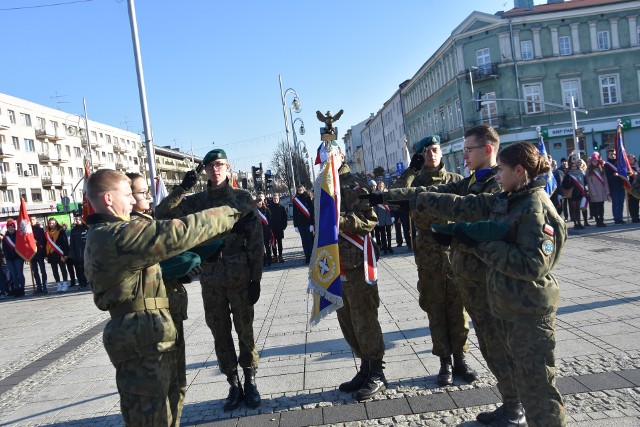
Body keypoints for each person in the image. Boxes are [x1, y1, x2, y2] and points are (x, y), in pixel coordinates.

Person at [409, 141, 567, 427]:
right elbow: (483, 221)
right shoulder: (514, 199)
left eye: (502, 170)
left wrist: (479, 245)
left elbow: (532, 264)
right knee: (522, 379)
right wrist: (460, 234)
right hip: (512, 307)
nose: (497, 175)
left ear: (519, 171)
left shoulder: (534, 207)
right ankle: (513, 410)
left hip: (529, 311)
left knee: (538, 389)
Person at [377, 124, 523, 425]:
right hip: (449, 265)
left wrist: (451, 229)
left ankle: (515, 406)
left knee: (495, 343)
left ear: (487, 150)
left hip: (485, 279)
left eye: (468, 149)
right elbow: (419, 191)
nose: (463, 154)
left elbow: (464, 208)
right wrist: (383, 196)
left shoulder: (493, 184)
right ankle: (509, 403)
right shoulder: (471, 180)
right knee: (476, 335)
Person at [84, 169, 244, 426]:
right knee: (151, 417)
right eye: (128, 195)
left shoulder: (110, 233)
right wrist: (230, 213)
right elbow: (177, 233)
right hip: (139, 338)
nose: (135, 201)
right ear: (108, 199)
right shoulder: (116, 235)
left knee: (167, 406)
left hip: (146, 333)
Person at [156, 149, 264, 411]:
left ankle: (250, 381)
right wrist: (182, 187)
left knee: (244, 329)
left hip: (239, 275)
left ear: (228, 167)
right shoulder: (196, 201)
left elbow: (256, 239)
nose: (215, 170)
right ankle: (233, 383)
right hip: (212, 276)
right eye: (210, 166)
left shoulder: (241, 198)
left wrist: (256, 279)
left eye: (219, 165)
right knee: (219, 332)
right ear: (204, 170)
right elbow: (161, 213)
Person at [391, 134, 476, 386]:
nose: (432, 154)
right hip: (428, 252)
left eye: (435, 149)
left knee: (458, 309)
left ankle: (460, 359)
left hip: (456, 252)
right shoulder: (415, 182)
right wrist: (411, 169)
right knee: (435, 308)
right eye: (426, 151)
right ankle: (445, 363)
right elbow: (395, 197)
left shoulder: (457, 181)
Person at [334, 148, 388, 402]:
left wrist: (340, 220)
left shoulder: (354, 183)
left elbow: (370, 219)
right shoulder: (325, 184)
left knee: (364, 318)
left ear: (341, 156)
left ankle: (377, 372)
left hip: (356, 263)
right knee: (347, 320)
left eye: (331, 156)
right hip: (335, 264)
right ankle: (364, 367)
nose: (327, 161)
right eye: (323, 158)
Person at [45, 218, 71, 291]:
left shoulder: (61, 231)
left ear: (56, 223)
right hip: (51, 253)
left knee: (63, 269)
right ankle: (58, 284)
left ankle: (65, 284)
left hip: (60, 253)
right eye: (50, 223)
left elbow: (65, 243)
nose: (51, 225)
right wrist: (46, 255)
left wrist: (65, 254)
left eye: (53, 223)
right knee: (54, 270)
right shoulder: (47, 232)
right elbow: (45, 243)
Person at [584, 153, 610, 228]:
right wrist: (593, 191)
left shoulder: (601, 168)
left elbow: (605, 180)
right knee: (595, 206)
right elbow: (589, 182)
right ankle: (597, 220)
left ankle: (601, 220)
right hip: (594, 191)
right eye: (593, 161)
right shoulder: (589, 170)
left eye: (596, 160)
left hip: (602, 190)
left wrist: (607, 190)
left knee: (601, 206)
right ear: (591, 161)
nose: (595, 162)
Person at [561, 160, 587, 230]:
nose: (574, 168)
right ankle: (575, 223)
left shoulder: (581, 173)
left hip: (579, 193)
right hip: (572, 194)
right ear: (570, 167)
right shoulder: (568, 174)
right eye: (572, 166)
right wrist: (571, 185)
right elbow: (564, 184)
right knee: (573, 209)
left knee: (578, 209)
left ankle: (579, 223)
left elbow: (585, 182)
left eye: (575, 166)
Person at [292, 184, 314, 264]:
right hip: (300, 224)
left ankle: (312, 256)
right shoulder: (295, 200)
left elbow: (311, 211)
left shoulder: (308, 197)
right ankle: (307, 256)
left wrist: (312, 224)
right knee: (304, 241)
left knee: (309, 240)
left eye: (301, 189)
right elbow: (294, 213)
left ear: (304, 189)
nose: (300, 191)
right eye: (299, 190)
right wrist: (295, 226)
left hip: (308, 223)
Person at [2, 220, 25, 297]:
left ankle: (22, 289)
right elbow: (4, 249)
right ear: (7, 228)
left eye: (12, 227)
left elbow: (22, 246)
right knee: (13, 275)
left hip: (18, 257)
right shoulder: (5, 238)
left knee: (20, 274)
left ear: (14, 227)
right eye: (9, 227)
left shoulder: (18, 235)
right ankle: (17, 289)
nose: (11, 228)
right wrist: (7, 257)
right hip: (9, 259)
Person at [604, 149, 627, 224]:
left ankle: (620, 218)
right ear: (608, 155)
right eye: (611, 154)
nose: (613, 156)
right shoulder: (607, 165)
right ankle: (616, 218)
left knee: (621, 203)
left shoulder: (619, 163)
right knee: (616, 203)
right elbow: (608, 176)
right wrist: (615, 175)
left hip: (621, 186)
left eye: (614, 154)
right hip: (613, 186)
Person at [68, 216, 89, 288]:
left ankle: (86, 281)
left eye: (79, 219)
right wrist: (72, 253)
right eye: (76, 219)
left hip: (86, 252)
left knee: (85, 268)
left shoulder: (87, 228)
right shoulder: (74, 230)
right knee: (78, 269)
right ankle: (81, 282)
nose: (78, 221)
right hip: (77, 252)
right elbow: (72, 243)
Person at [373, 181, 394, 254]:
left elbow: (391, 204)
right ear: (377, 187)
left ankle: (390, 247)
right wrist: (376, 218)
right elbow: (375, 207)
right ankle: (385, 248)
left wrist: (393, 216)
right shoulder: (375, 195)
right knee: (382, 234)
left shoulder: (387, 194)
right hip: (380, 216)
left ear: (384, 186)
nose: (380, 187)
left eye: (382, 186)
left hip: (388, 216)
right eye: (379, 186)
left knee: (389, 233)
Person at [268, 194, 288, 263]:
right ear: (272, 199)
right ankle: (275, 256)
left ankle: (280, 256)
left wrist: (284, 226)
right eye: (274, 198)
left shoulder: (282, 207)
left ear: (279, 199)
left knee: (279, 242)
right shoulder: (269, 207)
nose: (275, 199)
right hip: (272, 229)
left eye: (276, 198)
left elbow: (285, 217)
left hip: (279, 228)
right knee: (273, 243)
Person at [31, 218, 48, 294]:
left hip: (40, 253)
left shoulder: (40, 229)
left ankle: (45, 286)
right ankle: (39, 287)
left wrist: (44, 253)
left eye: (33, 219)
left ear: (36, 220)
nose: (32, 221)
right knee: (35, 272)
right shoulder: (28, 231)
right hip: (32, 254)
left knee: (43, 271)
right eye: (30, 219)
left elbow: (43, 242)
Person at [256, 193, 273, 268]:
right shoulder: (254, 211)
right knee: (261, 248)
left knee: (267, 247)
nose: (259, 203)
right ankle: (263, 261)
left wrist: (269, 230)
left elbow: (270, 221)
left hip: (266, 231)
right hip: (258, 232)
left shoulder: (267, 210)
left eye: (260, 202)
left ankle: (269, 260)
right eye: (258, 202)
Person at [627, 155, 639, 223]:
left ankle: (637, 216)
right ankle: (633, 217)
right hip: (630, 187)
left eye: (632, 159)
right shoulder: (627, 168)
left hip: (637, 187)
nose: (631, 160)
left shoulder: (637, 167)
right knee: (631, 203)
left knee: (636, 203)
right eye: (630, 159)